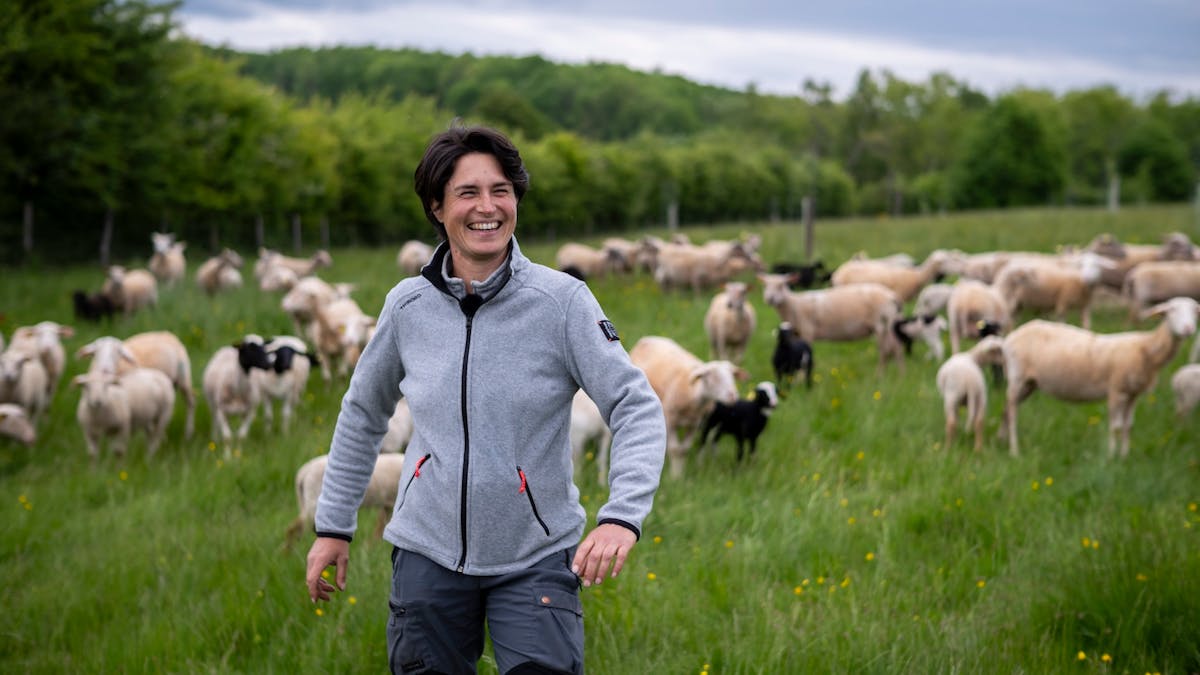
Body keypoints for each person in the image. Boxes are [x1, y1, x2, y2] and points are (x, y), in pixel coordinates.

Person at [304, 124, 667, 675]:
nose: (487, 207)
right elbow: (362, 414)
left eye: (501, 190)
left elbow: (635, 405)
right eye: (467, 193)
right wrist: (333, 526)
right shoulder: (407, 306)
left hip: (536, 555)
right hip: (427, 553)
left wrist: (622, 516)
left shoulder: (562, 301)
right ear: (436, 206)